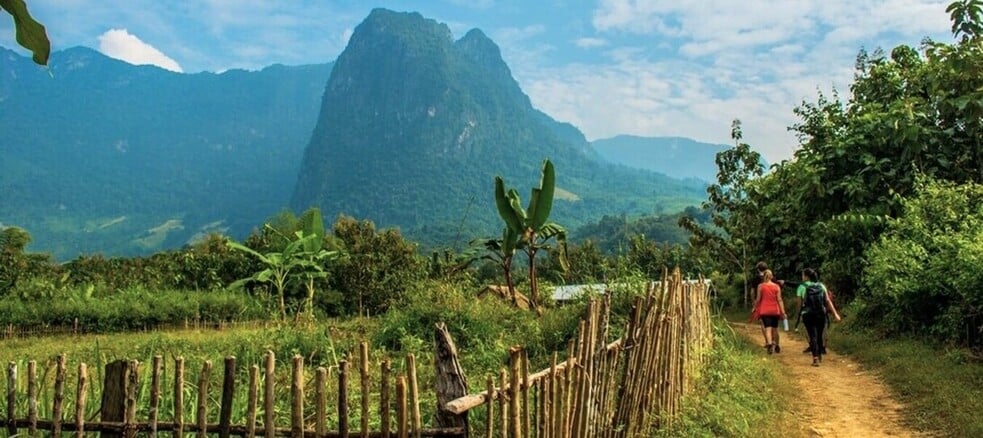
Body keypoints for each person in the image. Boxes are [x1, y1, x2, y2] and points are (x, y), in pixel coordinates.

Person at [796, 268, 841, 366]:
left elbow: (799, 305)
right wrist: (835, 314)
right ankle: (819, 354)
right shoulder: (821, 286)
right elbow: (828, 301)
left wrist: (799, 315)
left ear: (807, 277)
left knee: (812, 335)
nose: (802, 277)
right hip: (820, 313)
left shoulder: (801, 287)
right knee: (819, 335)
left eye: (803, 275)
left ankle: (815, 358)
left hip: (808, 314)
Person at [751, 261, 787, 350]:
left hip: (764, 309)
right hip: (775, 310)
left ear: (758, 269)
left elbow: (757, 298)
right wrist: (783, 312)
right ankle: (776, 344)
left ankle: (769, 343)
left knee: (767, 327)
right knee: (775, 328)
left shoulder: (759, 284)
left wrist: (754, 306)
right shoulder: (776, 285)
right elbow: (779, 299)